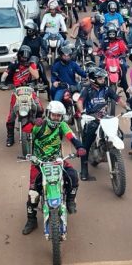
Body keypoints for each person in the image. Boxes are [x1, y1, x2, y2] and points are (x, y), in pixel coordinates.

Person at [21, 101, 86, 235]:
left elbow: (71, 137)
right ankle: (31, 220)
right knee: (33, 193)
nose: (56, 118)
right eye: (54, 115)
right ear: (48, 114)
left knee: (73, 176)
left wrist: (79, 147)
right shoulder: (39, 125)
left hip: (57, 161)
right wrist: (33, 121)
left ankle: (70, 201)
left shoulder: (62, 125)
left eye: (59, 116)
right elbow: (25, 128)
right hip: (38, 163)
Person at [76, 67, 127, 181]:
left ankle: (110, 152)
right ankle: (84, 171)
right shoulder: (87, 90)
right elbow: (79, 102)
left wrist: (127, 107)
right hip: (91, 118)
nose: (103, 80)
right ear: (93, 79)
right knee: (85, 145)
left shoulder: (107, 89)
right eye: (100, 78)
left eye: (103, 78)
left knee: (119, 134)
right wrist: (83, 112)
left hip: (105, 118)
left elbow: (118, 99)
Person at [0, 46, 43, 148]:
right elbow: (5, 73)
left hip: (30, 90)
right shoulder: (14, 64)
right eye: (23, 57)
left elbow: (36, 76)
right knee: (11, 116)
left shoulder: (31, 64)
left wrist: (29, 65)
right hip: (17, 91)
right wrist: (2, 82)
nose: (24, 59)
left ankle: (39, 130)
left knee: (40, 108)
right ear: (19, 56)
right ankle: (10, 137)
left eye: (26, 57)